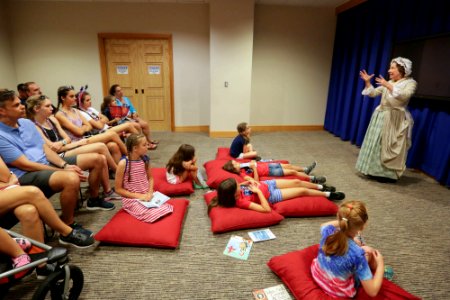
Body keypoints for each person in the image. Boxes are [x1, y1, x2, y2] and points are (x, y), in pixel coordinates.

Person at [0, 89, 114, 228]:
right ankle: (68, 223)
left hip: (45, 163)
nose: (22, 106)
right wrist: (62, 170)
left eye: (20, 103)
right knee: (71, 178)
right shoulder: (1, 135)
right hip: (26, 174)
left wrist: (64, 165)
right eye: (16, 105)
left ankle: (94, 199)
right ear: (2, 111)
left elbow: (46, 150)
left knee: (97, 159)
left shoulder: (26, 123)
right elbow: (26, 165)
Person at [356, 57, 417, 183]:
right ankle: (373, 171)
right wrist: (368, 82)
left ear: (401, 70)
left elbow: (405, 95)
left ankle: (386, 174)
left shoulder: (410, 83)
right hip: (381, 115)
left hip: (394, 117)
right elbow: (373, 93)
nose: (389, 70)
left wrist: (388, 85)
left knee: (388, 144)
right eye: (390, 67)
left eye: (393, 67)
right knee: (376, 143)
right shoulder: (389, 82)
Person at [26, 94, 120, 177]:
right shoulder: (34, 126)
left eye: (51, 105)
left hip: (68, 147)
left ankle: (108, 188)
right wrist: (77, 143)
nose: (51, 108)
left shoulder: (52, 119)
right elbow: (51, 148)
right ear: (36, 109)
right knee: (102, 145)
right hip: (57, 156)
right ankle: (119, 172)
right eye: (47, 106)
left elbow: (67, 139)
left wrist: (63, 143)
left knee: (111, 146)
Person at [310, 200, 385, 298]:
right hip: (338, 291)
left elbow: (323, 225)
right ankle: (382, 272)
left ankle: (354, 237)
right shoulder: (358, 255)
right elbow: (372, 292)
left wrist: (344, 222)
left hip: (317, 274)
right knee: (369, 251)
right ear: (362, 227)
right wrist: (380, 264)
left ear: (339, 217)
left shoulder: (328, 231)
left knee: (361, 245)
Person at [54, 86, 128, 163]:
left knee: (113, 146)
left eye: (75, 96)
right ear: (63, 98)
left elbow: (88, 126)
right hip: (75, 144)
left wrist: (81, 128)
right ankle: (130, 159)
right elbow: (78, 132)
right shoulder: (60, 114)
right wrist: (83, 128)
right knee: (112, 134)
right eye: (71, 96)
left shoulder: (75, 110)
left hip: (84, 138)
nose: (75, 98)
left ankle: (117, 172)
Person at [115, 134, 173, 223]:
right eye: (144, 145)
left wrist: (150, 192)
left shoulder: (145, 160)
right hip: (132, 198)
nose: (148, 146)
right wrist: (139, 196)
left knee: (166, 208)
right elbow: (118, 189)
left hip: (147, 195)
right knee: (151, 213)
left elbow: (150, 178)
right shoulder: (123, 163)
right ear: (135, 148)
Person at [207, 178, 345, 213]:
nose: (239, 185)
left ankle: (320, 186)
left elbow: (242, 183)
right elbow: (266, 209)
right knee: (301, 190)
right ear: (234, 194)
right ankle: (327, 194)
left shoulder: (237, 189)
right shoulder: (241, 202)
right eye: (237, 186)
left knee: (296, 181)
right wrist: (258, 192)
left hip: (267, 183)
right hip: (271, 195)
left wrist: (248, 181)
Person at [109, 84, 158, 150]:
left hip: (131, 117)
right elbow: (119, 115)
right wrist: (130, 116)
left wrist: (134, 113)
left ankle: (149, 140)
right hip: (123, 121)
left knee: (145, 124)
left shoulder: (126, 99)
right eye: (118, 91)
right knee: (138, 125)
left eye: (121, 90)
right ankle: (145, 143)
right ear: (114, 93)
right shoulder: (114, 102)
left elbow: (132, 109)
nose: (121, 92)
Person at [76, 90, 141, 138]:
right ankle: (140, 145)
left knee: (135, 128)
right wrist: (102, 121)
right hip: (102, 132)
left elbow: (106, 119)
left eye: (90, 99)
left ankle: (138, 146)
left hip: (108, 128)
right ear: (81, 103)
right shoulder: (82, 113)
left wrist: (100, 122)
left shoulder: (91, 109)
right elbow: (100, 126)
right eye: (87, 100)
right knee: (128, 125)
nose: (90, 102)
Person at [222, 160, 327, 184]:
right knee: (292, 172)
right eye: (234, 163)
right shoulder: (242, 174)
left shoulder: (242, 166)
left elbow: (253, 162)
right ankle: (313, 179)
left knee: (289, 165)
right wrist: (254, 168)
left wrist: (253, 162)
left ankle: (305, 170)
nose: (237, 162)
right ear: (233, 168)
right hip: (270, 171)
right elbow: (256, 182)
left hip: (267, 165)